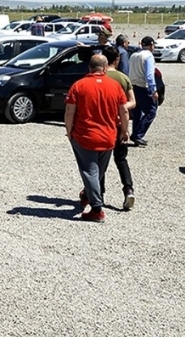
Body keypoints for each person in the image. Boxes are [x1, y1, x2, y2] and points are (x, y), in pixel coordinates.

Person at [64, 54, 130, 223]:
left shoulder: (79, 85)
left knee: (89, 171)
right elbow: (124, 111)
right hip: (109, 136)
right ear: (106, 68)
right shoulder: (115, 86)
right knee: (99, 171)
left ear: (89, 68)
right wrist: (124, 130)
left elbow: (70, 111)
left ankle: (97, 209)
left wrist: (69, 130)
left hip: (85, 136)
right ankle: (88, 194)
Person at [102, 46, 136, 210]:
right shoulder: (123, 78)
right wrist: (120, 108)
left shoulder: (99, 76)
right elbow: (132, 102)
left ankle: (98, 193)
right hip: (118, 122)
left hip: (102, 123)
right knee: (121, 159)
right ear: (117, 60)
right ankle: (128, 189)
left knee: (99, 161)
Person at [128, 36, 159, 147]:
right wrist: (153, 89)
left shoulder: (133, 55)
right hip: (143, 86)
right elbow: (149, 75)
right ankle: (138, 134)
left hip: (133, 86)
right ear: (150, 45)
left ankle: (136, 134)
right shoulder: (148, 56)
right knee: (151, 111)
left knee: (137, 113)